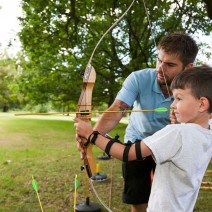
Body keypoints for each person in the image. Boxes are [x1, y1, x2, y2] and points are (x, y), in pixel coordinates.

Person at [76, 32, 199, 212]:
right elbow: (118, 108)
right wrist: (91, 137)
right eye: (159, 60)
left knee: (169, 202)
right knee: (138, 200)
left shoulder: (194, 90)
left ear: (188, 68)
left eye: (170, 65)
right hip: (137, 142)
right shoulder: (138, 78)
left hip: (170, 148)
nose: (160, 68)